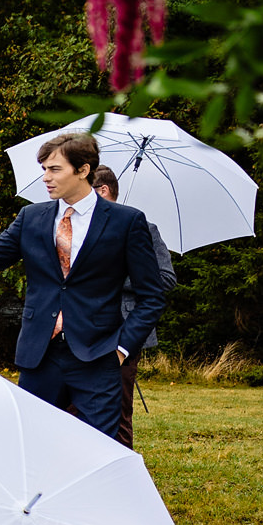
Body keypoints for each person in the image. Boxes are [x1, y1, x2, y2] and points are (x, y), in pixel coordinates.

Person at [0, 132, 167, 441]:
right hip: (40, 355)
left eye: (54, 169)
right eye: (44, 169)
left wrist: (121, 348)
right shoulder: (32, 217)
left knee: (98, 446)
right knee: (33, 444)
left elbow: (152, 295)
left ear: (83, 170)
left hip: (98, 356)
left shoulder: (126, 222)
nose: (46, 178)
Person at [92, 165, 177, 448]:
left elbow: (165, 279)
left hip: (124, 330)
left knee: (117, 409)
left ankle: (122, 477)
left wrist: (115, 277)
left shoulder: (145, 229)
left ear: (102, 191)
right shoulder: (80, 230)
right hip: (82, 328)